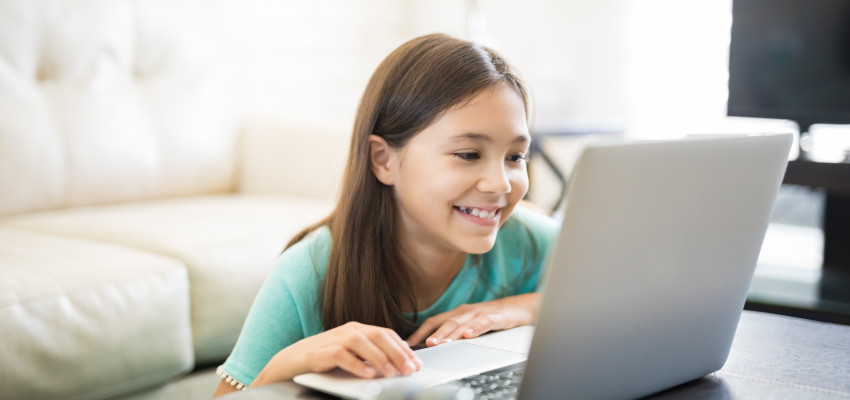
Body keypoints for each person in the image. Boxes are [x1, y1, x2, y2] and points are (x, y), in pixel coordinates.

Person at [213, 33, 559, 396]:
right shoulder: (310, 271)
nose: (501, 184)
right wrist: (287, 363)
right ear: (384, 160)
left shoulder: (535, 242)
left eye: (515, 157)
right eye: (469, 154)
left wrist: (521, 308)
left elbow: (620, 310)